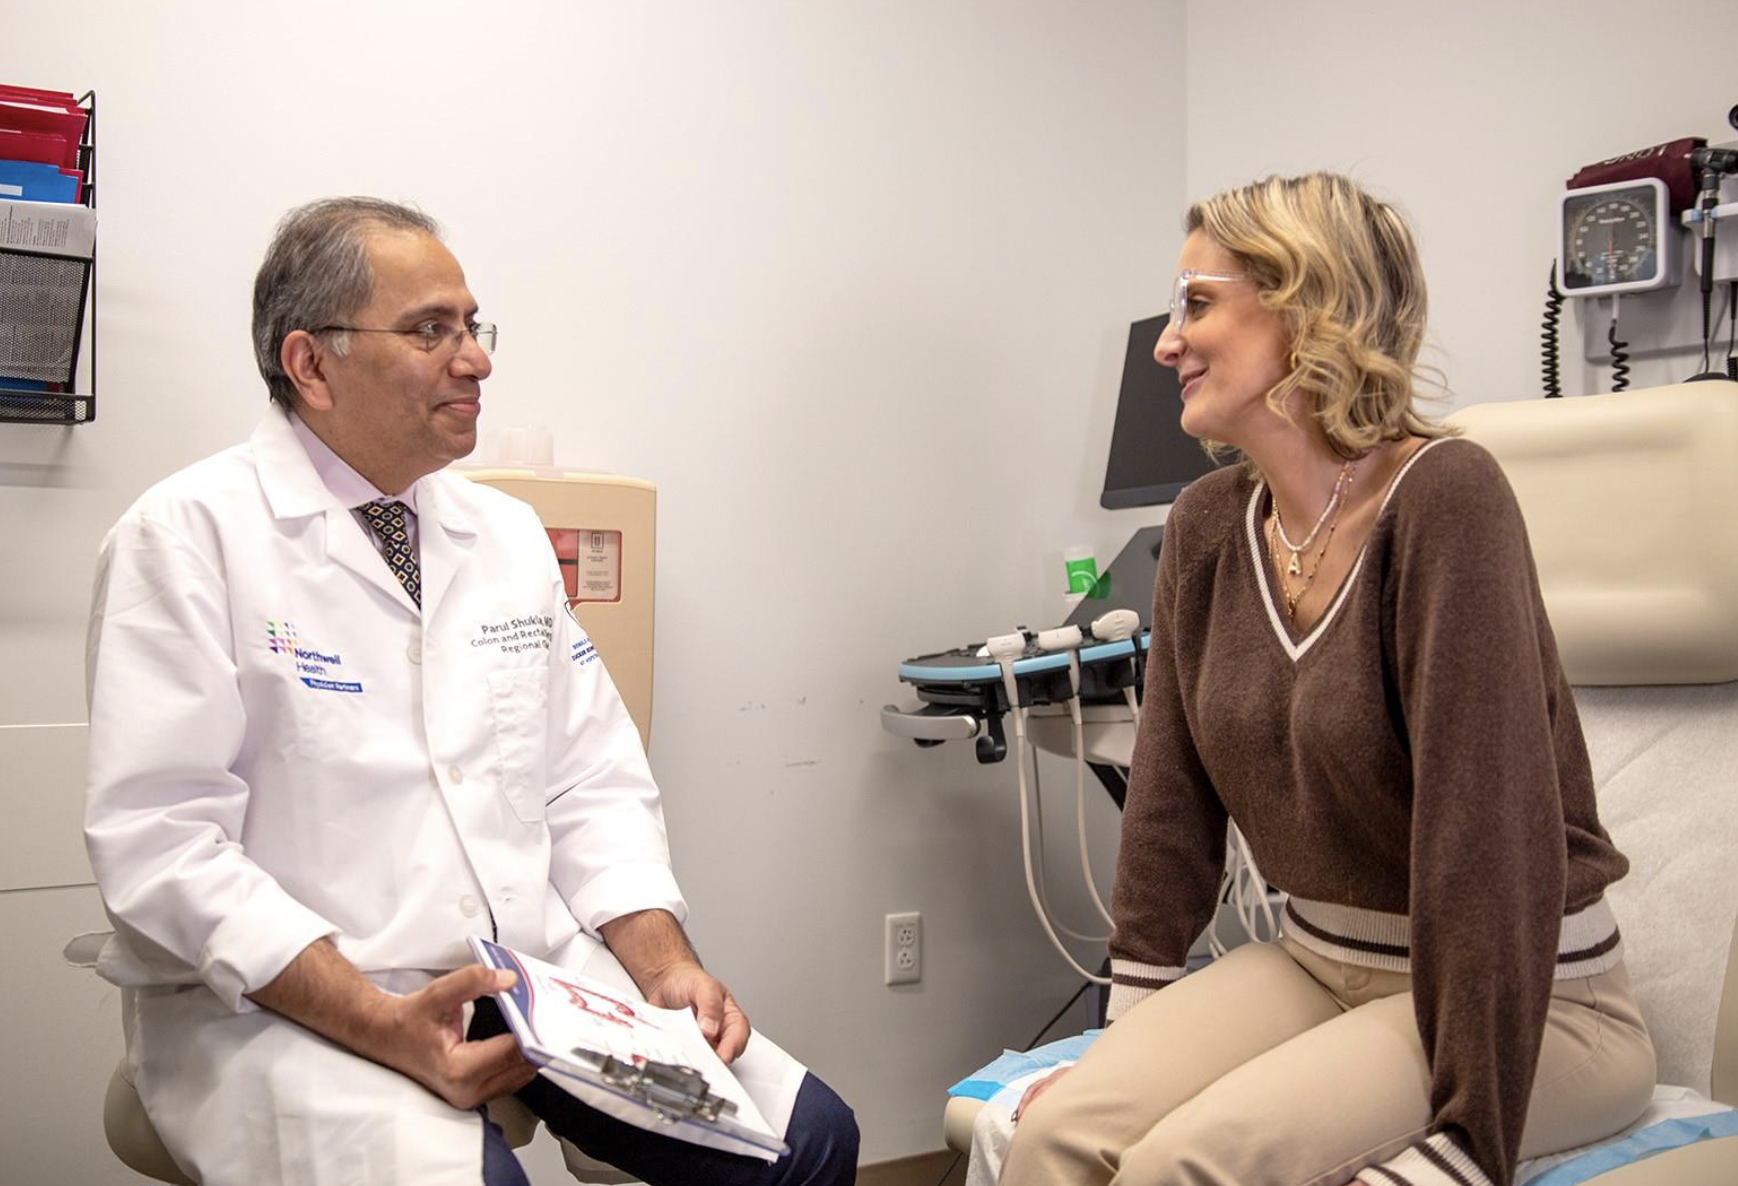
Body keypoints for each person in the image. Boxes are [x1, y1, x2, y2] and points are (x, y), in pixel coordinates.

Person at [83, 197, 857, 1186]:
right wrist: (385, 1024)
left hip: (530, 979)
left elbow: (590, 782)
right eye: (428, 330)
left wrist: (663, 964)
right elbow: (162, 844)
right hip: (300, 1002)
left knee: (809, 1141)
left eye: (471, 325)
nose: (476, 358)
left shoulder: (503, 535)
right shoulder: (188, 536)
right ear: (311, 363)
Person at [998, 174, 1654, 1186]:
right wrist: (1120, 1049)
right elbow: (1169, 806)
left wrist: (1471, 1140)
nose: (1166, 343)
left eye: (1196, 303)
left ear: (1306, 308)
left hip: (1533, 1005)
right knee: (1053, 1134)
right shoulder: (1210, 526)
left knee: (1182, 1165)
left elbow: (1485, 837)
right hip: (1316, 958)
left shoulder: (1445, 501)